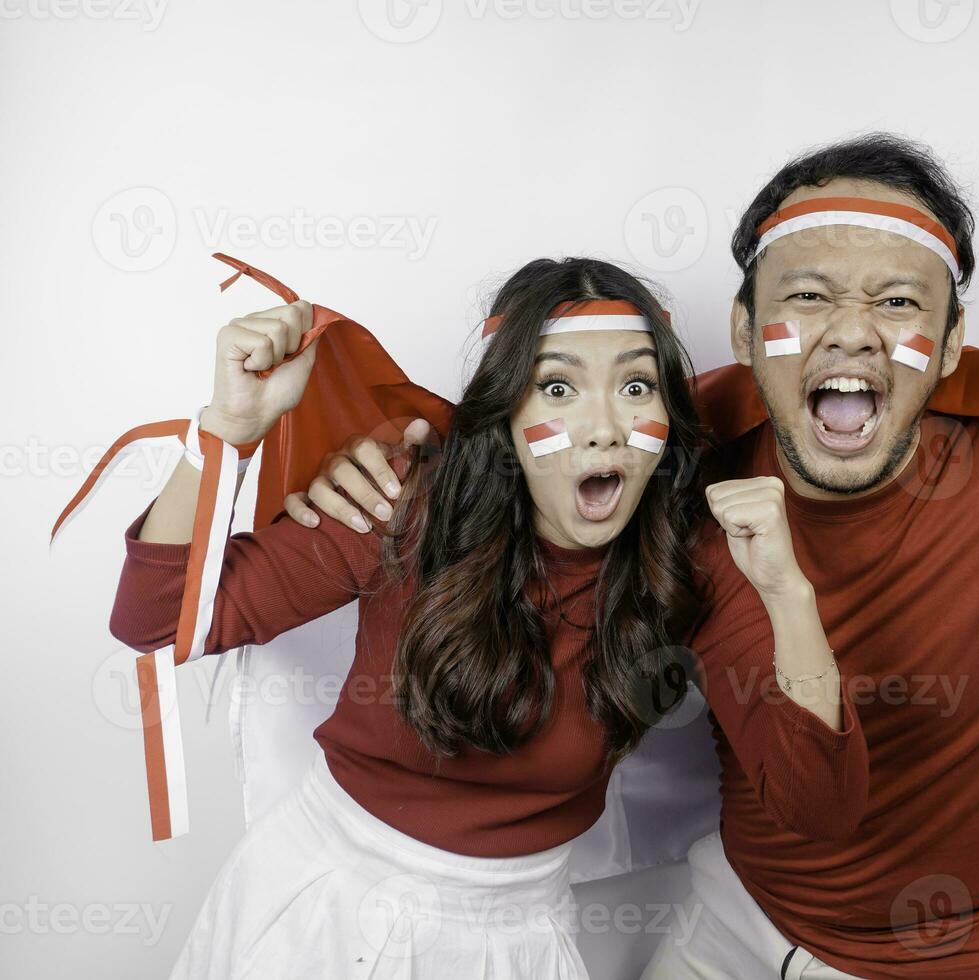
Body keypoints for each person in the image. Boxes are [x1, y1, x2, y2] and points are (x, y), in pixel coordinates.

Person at [298, 135, 979, 980]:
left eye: (900, 301)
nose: (855, 332)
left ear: (954, 345)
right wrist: (365, 471)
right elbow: (512, 475)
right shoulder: (669, 481)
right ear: (743, 326)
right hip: (726, 926)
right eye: (811, 296)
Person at [107, 256, 868, 979]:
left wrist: (789, 595)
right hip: (322, 902)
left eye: (636, 388)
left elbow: (823, 808)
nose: (604, 426)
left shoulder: (690, 559)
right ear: (504, 418)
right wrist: (225, 434)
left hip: (518, 939)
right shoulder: (404, 503)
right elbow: (156, 620)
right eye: (559, 389)